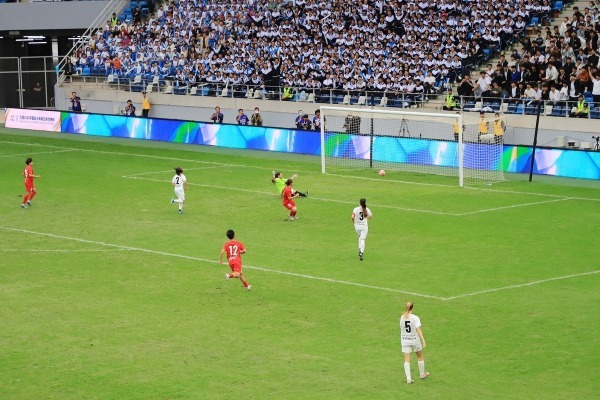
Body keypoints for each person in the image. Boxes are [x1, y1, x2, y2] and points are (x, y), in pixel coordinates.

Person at [400, 301, 429, 384]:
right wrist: (423, 340)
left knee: (406, 360)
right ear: (412, 308)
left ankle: (409, 379)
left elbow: (402, 328)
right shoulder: (415, 318)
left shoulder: (402, 317)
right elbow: (418, 329)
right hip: (415, 340)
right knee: (420, 356)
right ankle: (422, 374)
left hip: (405, 340)